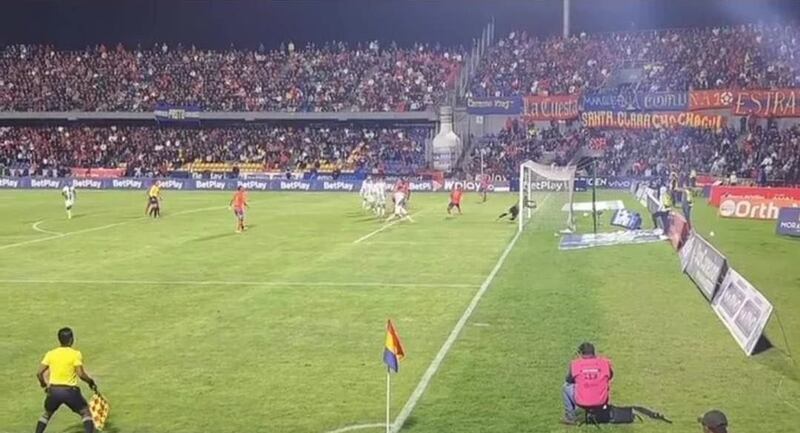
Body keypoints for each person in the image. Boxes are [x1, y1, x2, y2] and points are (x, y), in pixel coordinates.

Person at [35, 327, 98, 433]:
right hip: (70, 391)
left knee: (47, 414)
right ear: (71, 340)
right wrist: (90, 382)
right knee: (85, 412)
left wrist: (44, 385)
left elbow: (39, 373)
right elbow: (81, 374)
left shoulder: (51, 353)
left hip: (54, 391)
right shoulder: (75, 354)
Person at [562, 342, 614, 425]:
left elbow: (569, 380)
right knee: (605, 383)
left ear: (581, 353)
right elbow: (610, 376)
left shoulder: (575, 364)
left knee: (566, 387)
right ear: (594, 352)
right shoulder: (604, 363)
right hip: (601, 401)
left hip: (582, 402)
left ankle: (570, 417)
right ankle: (599, 411)